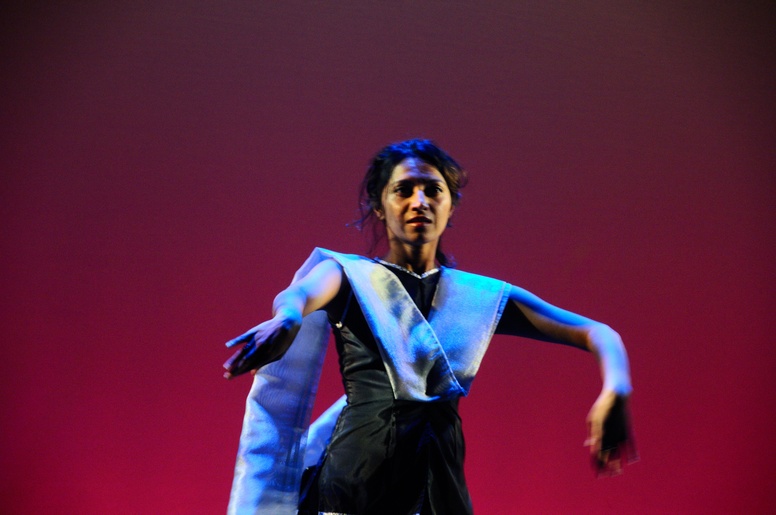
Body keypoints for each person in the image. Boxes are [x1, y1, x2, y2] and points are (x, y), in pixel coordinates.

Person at [224, 139, 636, 515]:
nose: (419, 201)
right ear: (379, 205)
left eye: (433, 190)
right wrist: (288, 318)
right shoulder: (350, 276)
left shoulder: (478, 297)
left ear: (451, 206)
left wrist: (616, 388)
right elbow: (299, 295)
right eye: (403, 190)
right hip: (355, 485)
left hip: (441, 485)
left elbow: (598, 333)